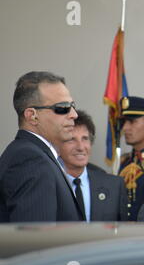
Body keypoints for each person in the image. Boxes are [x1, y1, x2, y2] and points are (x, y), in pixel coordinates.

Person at [0, 71, 82, 222]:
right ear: (32, 115)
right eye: (63, 107)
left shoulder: (36, 155)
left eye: (72, 106)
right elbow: (34, 240)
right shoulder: (30, 160)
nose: (74, 114)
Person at [59, 110, 128, 221]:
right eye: (72, 139)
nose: (80, 147)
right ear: (57, 145)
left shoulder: (114, 185)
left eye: (85, 139)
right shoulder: (48, 183)